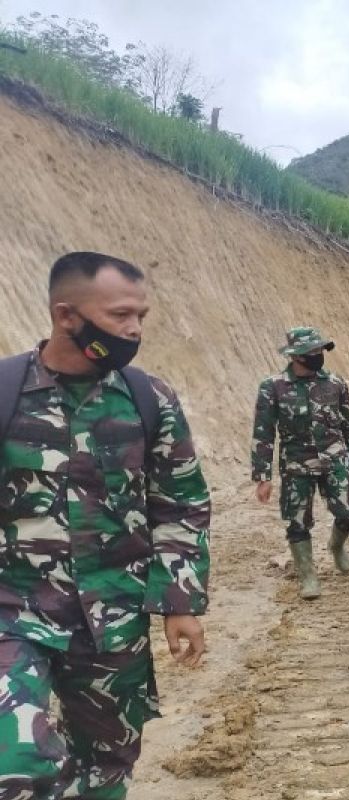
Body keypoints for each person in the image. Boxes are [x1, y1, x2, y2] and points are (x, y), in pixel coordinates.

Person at [0, 252, 210, 799]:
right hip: (14, 613)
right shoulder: (4, 394)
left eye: (141, 315)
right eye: (120, 315)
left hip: (113, 616)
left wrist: (180, 602)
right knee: (16, 764)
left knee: (108, 767)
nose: (134, 329)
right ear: (66, 315)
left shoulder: (148, 399)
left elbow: (180, 504)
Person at [252, 326, 349, 599]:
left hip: (335, 460)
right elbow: (264, 432)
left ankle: (337, 546)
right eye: (311, 352)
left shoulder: (336, 383)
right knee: (297, 522)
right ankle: (307, 574)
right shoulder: (273, 387)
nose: (318, 355)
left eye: (320, 350)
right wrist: (263, 475)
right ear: (296, 356)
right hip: (296, 464)